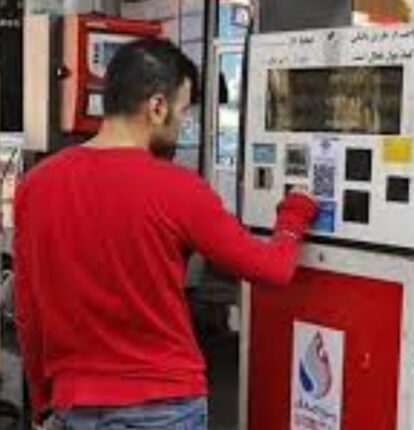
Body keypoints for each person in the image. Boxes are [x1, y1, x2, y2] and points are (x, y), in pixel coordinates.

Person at [13, 38, 317, 429]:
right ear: (157, 107)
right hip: (164, 405)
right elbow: (273, 269)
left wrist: (43, 401)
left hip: (75, 405)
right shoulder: (178, 188)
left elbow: (28, 309)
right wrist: (295, 212)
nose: (182, 124)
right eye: (183, 111)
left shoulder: (36, 185)